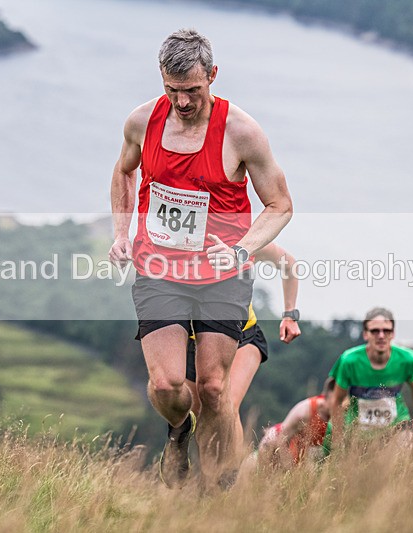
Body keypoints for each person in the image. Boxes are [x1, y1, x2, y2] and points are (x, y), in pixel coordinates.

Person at [109, 28, 293, 488]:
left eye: (193, 90)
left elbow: (281, 205)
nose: (183, 102)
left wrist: (240, 250)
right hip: (160, 270)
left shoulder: (242, 133)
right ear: (162, 80)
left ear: (212, 75)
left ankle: (213, 491)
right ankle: (177, 431)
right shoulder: (141, 122)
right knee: (169, 386)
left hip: (221, 275)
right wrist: (121, 234)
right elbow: (123, 172)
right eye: (173, 90)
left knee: (213, 389)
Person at [181, 243, 301, 469]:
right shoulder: (178, 242)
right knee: (203, 418)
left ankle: (233, 479)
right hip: (192, 343)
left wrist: (290, 315)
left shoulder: (242, 239)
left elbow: (289, 263)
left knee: (225, 403)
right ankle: (211, 482)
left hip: (242, 336)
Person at [330, 307, 413, 443]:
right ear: (365, 334)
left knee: (407, 447)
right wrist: (337, 439)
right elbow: (337, 400)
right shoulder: (349, 360)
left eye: (386, 331)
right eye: (375, 331)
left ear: (393, 334)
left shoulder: (407, 359)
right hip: (357, 429)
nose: (381, 336)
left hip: (396, 426)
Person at [256, 377, 335, 469]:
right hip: (274, 446)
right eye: (339, 399)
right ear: (328, 395)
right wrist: (289, 469)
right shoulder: (305, 410)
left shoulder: (342, 416)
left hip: (298, 457)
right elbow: (281, 439)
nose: (343, 403)